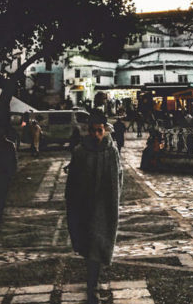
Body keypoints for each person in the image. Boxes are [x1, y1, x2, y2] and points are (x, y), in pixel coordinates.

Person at [65, 111, 122, 304]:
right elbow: (72, 182)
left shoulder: (111, 151)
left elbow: (117, 180)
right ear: (88, 131)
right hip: (84, 206)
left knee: (98, 244)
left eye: (99, 131)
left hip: (104, 206)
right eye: (93, 131)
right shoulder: (80, 152)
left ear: (104, 130)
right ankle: (92, 283)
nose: (96, 135)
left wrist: (113, 205)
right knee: (88, 245)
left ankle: (93, 285)